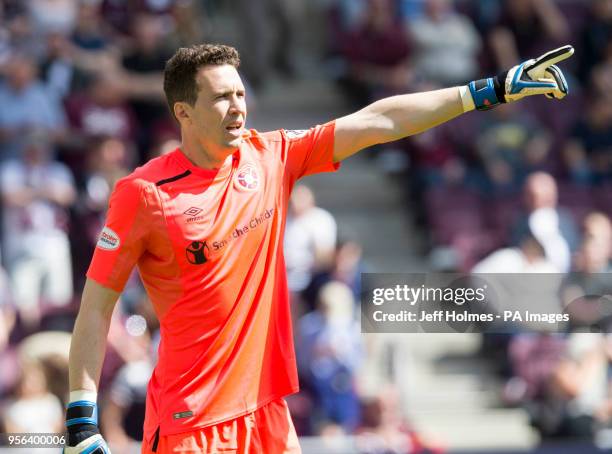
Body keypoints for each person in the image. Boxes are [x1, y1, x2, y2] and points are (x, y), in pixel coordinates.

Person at [65, 43, 574, 453]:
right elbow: (95, 309)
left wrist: (489, 90)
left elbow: (381, 121)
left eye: (241, 94)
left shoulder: (271, 156)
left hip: (267, 412)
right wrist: (81, 420)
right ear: (184, 112)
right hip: (191, 422)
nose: (238, 107)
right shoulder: (144, 193)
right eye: (221, 97)